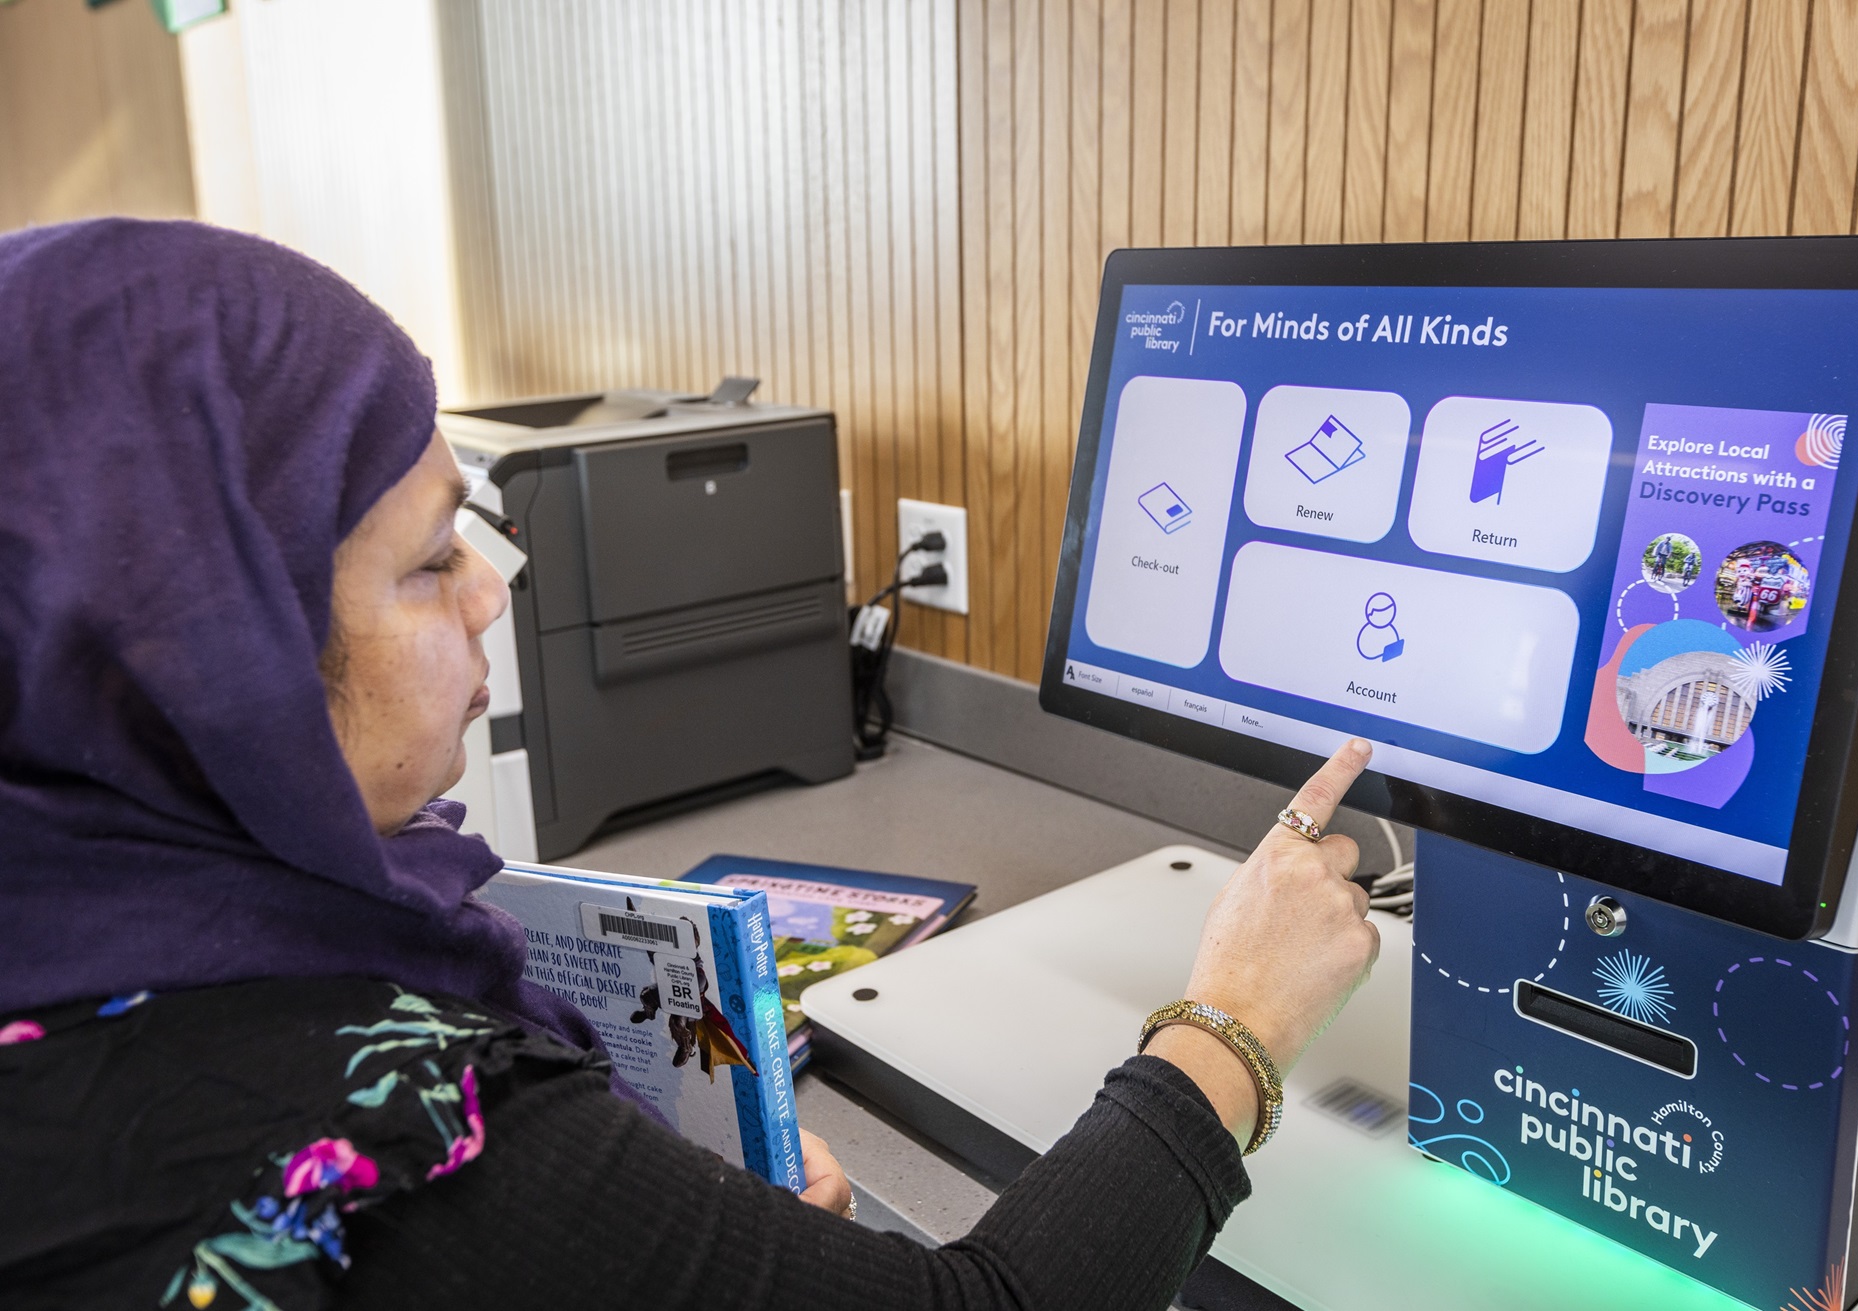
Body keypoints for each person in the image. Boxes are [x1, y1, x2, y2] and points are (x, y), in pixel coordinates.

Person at [0, 219, 1381, 1310]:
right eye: (428, 562)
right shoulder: (392, 1123)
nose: (490, 593)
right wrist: (1233, 1024)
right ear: (207, 655)